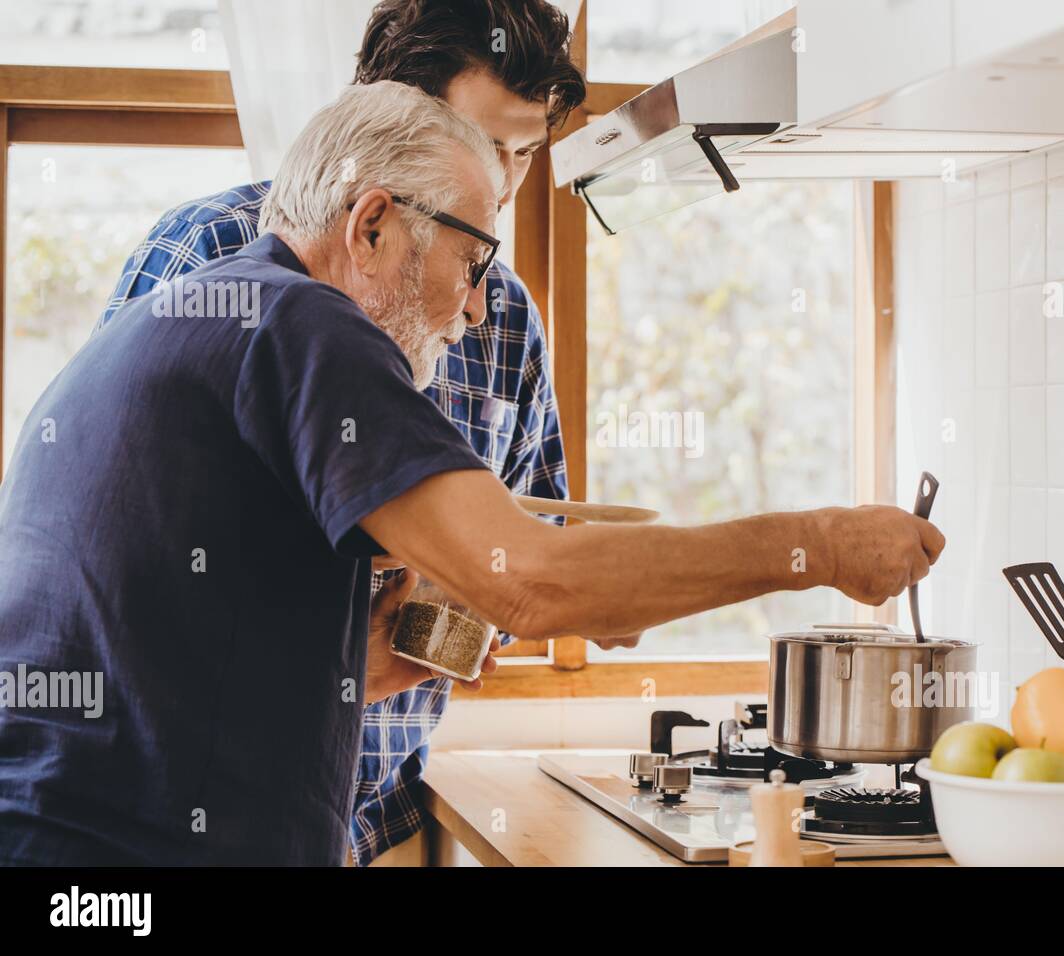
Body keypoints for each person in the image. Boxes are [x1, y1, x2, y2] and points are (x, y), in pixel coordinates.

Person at [0, 81, 943, 865]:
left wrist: (381, 659)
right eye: (473, 257)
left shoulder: (202, 315)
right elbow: (534, 581)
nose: (484, 308)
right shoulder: (302, 324)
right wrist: (818, 545)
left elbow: (190, 671)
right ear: (371, 225)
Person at [97, 0, 589, 867]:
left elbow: (531, 548)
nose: (506, 182)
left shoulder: (500, 313)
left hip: (376, 813)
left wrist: (450, 607)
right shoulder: (212, 253)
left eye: (525, 151)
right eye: (483, 145)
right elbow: (120, 552)